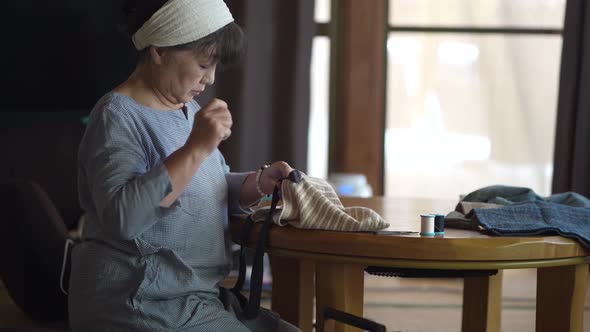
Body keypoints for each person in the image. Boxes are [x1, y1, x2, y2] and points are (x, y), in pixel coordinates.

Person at [68, 0, 299, 331]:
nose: (211, 78)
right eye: (204, 64)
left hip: (193, 298)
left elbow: (203, 185)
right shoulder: (117, 115)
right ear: (160, 50)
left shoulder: (187, 109)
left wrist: (258, 184)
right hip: (138, 303)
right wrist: (196, 147)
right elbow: (122, 217)